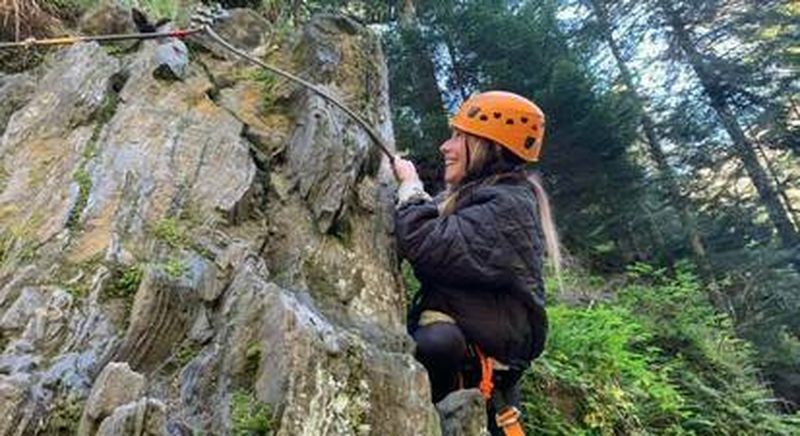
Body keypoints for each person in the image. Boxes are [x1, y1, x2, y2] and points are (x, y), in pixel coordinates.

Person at [393, 91, 561, 435]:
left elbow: (426, 242)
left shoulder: (508, 206)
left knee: (435, 342)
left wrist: (410, 188)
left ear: (488, 147)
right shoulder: (487, 198)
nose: (446, 146)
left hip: (476, 381)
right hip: (468, 375)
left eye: (458, 136)